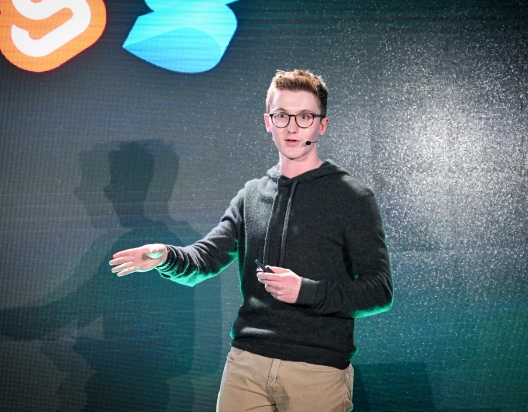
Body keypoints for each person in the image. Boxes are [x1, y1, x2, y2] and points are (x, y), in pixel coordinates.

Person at [109, 69, 393, 412]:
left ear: (322, 125)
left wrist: (305, 290)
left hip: (316, 371)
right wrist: (165, 256)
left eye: (304, 116)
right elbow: (205, 258)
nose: (292, 127)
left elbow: (379, 291)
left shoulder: (352, 197)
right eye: (282, 115)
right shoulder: (251, 196)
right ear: (267, 122)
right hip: (246, 365)